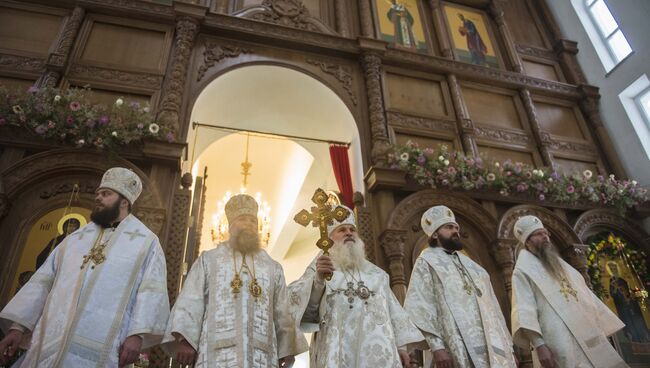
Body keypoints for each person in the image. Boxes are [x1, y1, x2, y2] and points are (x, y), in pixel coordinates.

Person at [0, 167, 170, 367]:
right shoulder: (74, 239)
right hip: (50, 344)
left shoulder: (146, 242)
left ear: (124, 202)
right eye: (98, 193)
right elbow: (43, 282)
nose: (97, 197)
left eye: (106, 194)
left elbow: (151, 292)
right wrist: (18, 327)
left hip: (104, 345)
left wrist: (137, 336)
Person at [162, 193, 307, 367]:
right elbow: (191, 300)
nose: (249, 224)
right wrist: (186, 339)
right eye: (243, 219)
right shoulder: (209, 260)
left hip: (261, 356)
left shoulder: (272, 267)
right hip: (215, 354)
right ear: (230, 226)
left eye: (253, 221)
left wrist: (288, 349)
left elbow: (282, 310)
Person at [287, 205, 423, 368]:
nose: (349, 232)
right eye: (342, 230)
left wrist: (401, 348)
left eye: (352, 229)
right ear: (329, 239)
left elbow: (393, 313)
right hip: (338, 351)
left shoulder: (377, 275)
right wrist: (317, 281)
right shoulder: (321, 269)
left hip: (380, 356)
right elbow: (302, 309)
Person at [404, 205, 516, 368]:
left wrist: (508, 349)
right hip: (454, 346)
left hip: (493, 350)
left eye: (456, 227)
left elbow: (494, 311)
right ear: (435, 233)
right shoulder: (427, 261)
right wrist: (437, 347)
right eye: (449, 227)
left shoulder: (475, 268)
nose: (455, 231)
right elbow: (420, 306)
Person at [511, 215, 628, 368]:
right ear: (528, 241)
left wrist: (600, 328)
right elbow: (524, 310)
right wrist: (540, 345)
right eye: (539, 234)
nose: (545, 237)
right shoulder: (522, 271)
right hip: (557, 342)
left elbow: (587, 297)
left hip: (587, 332)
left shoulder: (562, 266)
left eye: (546, 233)